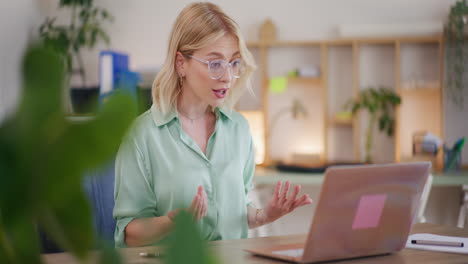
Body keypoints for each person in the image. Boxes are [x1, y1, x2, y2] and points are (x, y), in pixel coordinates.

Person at [113, 2, 313, 248]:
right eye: (215, 63)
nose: (228, 76)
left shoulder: (239, 128)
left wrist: (265, 215)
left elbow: (238, 213)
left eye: (234, 63)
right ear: (180, 64)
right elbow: (129, 232)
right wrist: (171, 223)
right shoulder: (141, 135)